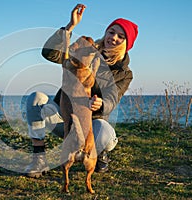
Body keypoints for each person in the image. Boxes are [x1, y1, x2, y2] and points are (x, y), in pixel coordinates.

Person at [24, 4, 138, 178]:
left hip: (91, 125)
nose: (113, 37)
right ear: (106, 32)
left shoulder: (124, 73)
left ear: (126, 43)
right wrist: (69, 27)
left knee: (105, 133)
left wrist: (101, 104)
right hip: (65, 119)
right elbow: (49, 54)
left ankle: (98, 153)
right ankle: (39, 159)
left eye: (120, 36)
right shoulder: (84, 49)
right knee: (36, 99)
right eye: (111, 32)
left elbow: (112, 99)